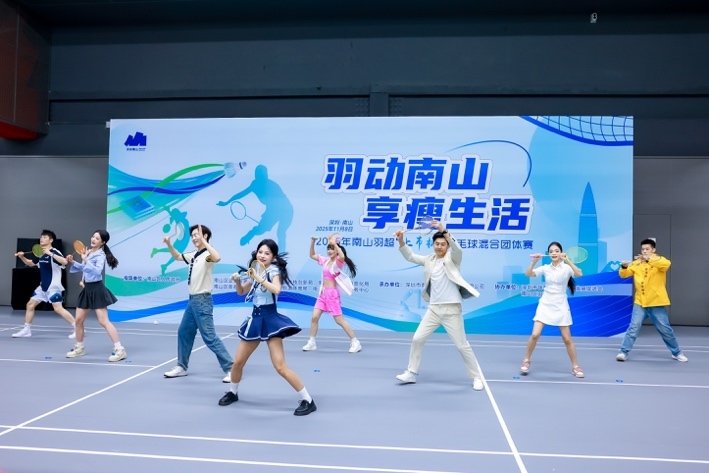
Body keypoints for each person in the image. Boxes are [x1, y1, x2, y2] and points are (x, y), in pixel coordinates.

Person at [219, 238, 316, 416]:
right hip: (255, 320)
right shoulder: (256, 270)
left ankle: (308, 401)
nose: (262, 255)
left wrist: (259, 278)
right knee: (238, 362)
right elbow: (241, 292)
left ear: (273, 257)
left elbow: (276, 290)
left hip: (270, 320)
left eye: (267, 253)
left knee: (280, 367)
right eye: (260, 252)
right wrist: (237, 281)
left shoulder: (273, 271)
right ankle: (233, 392)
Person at [393, 221, 484, 391]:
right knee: (417, 338)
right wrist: (401, 240)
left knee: (462, 345)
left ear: (447, 245)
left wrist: (444, 230)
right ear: (433, 245)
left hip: (452, 310)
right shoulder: (430, 259)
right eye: (437, 244)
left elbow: (459, 250)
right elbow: (410, 256)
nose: (439, 247)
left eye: (443, 244)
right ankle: (411, 372)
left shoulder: (453, 259)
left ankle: (476, 377)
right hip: (434, 309)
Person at [162, 224, 234, 381]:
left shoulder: (208, 255)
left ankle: (231, 369)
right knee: (184, 332)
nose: (194, 238)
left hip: (202, 300)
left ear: (205, 236)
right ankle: (182, 366)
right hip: (192, 301)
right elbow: (177, 256)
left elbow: (217, 258)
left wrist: (205, 242)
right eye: (193, 236)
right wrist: (169, 244)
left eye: (197, 235)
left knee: (209, 337)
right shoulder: (194, 255)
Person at [616, 238, 687, 362]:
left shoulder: (659, 261)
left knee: (665, 329)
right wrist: (624, 266)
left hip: (656, 302)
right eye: (643, 249)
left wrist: (649, 259)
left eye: (647, 249)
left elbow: (666, 264)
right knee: (633, 327)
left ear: (653, 250)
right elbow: (624, 274)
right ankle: (623, 352)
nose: (644, 251)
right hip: (640, 302)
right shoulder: (636, 263)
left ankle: (677, 353)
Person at [520, 242, 585, 378]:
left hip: (561, 305)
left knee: (567, 338)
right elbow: (528, 274)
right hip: (545, 304)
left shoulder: (567, 268)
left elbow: (579, 273)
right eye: (551, 251)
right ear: (548, 254)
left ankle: (575, 366)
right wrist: (534, 262)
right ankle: (526, 360)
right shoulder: (545, 268)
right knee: (535, 335)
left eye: (556, 251)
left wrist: (568, 260)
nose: (554, 253)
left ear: (561, 252)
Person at [65, 230, 126, 362]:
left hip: (97, 289)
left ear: (102, 242)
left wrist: (85, 260)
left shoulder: (100, 255)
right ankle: (79, 347)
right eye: (93, 236)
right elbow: (84, 268)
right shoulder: (88, 252)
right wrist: (73, 262)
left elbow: (97, 271)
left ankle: (119, 349)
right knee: (78, 320)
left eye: (97, 238)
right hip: (87, 289)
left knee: (103, 321)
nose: (93, 239)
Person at [302, 235, 361, 353]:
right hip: (322, 294)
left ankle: (355, 342)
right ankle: (312, 342)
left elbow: (342, 256)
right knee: (314, 317)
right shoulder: (326, 261)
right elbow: (312, 255)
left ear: (336, 250)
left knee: (339, 320)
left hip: (332, 295)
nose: (329, 251)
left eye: (332, 249)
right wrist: (313, 242)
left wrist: (335, 244)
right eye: (328, 249)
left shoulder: (338, 262)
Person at [12, 229, 76, 339]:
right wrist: (22, 257)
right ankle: (27, 330)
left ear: (51, 240)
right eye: (41, 237)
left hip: (53, 287)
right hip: (43, 287)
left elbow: (64, 261)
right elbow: (31, 263)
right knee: (30, 305)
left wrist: (50, 254)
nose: (42, 238)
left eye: (45, 237)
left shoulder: (55, 251)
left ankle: (78, 328)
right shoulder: (40, 253)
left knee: (58, 309)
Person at [216, 165, 294, 251]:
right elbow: (241, 194)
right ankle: (252, 232)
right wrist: (227, 202)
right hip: (274, 209)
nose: (262, 177)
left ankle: (281, 254)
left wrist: (267, 217)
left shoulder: (272, 185)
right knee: (263, 230)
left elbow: (278, 203)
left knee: (280, 232)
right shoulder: (255, 185)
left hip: (286, 210)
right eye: (260, 175)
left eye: (264, 175)